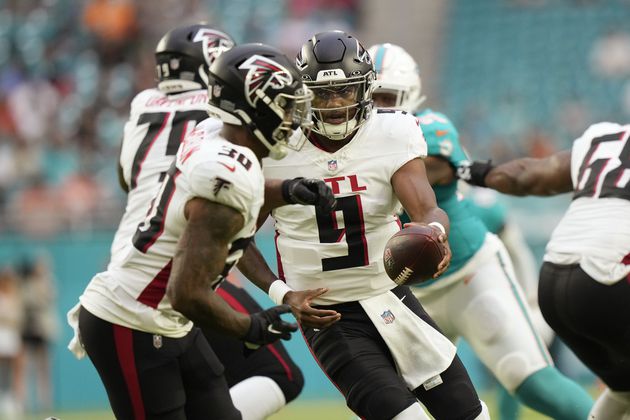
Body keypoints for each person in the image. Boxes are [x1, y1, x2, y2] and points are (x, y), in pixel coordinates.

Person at [67, 41, 322, 420]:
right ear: (252, 107)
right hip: (132, 318)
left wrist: (286, 190)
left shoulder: (215, 134)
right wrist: (248, 327)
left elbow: (224, 201)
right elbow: (186, 292)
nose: (292, 118)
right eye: (284, 106)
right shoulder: (226, 177)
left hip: (168, 320)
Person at [261, 30, 489, 420]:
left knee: (471, 416)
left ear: (366, 89)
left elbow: (427, 209)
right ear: (303, 95)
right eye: (323, 94)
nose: (334, 104)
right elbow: (233, 238)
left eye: (345, 92)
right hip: (329, 315)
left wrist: (436, 234)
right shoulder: (275, 149)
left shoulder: (391, 132)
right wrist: (282, 293)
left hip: (392, 297)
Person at [368, 42, 593, 420]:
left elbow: (428, 166)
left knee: (532, 381)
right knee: (387, 404)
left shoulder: (432, 128)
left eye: (385, 96)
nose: (376, 108)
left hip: (469, 274)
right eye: (367, 97)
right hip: (406, 291)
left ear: (409, 94)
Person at [458, 121, 630, 420]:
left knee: (623, 387)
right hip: (609, 277)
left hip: (554, 277)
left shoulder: (605, 136)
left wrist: (474, 171)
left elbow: (527, 176)